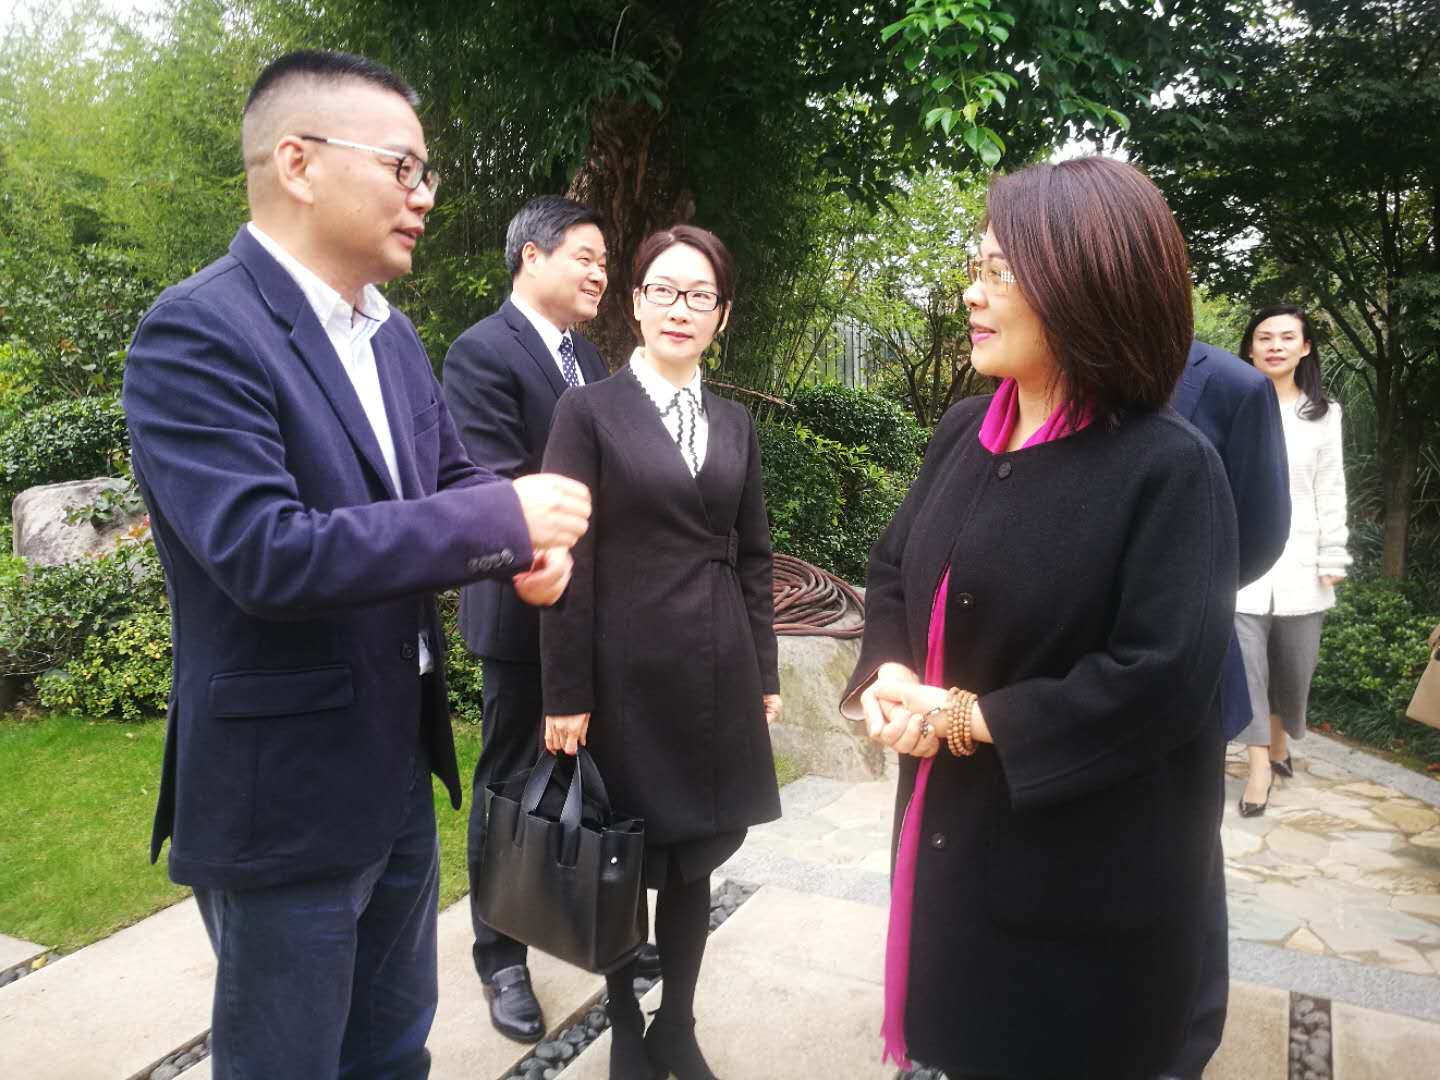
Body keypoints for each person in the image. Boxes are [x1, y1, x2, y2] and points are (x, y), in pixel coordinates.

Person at [122, 51, 591, 1079]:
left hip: (395, 769)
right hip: (283, 795)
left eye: (426, 174)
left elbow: (454, 480)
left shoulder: (389, 336)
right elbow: (267, 552)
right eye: (403, 168)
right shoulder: (197, 333)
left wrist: (521, 548)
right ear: (298, 163)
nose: (424, 197)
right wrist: (498, 522)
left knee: (392, 1052)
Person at [842, 157, 1238, 1079]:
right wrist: (890, 672)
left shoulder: (1168, 468)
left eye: (999, 273)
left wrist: (968, 717)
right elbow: (895, 565)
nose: (971, 293)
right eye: (974, 267)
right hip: (953, 839)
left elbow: (1161, 678)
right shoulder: (965, 429)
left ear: (1083, 287)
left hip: (1082, 879)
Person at [540, 225, 783, 1080]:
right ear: (636, 303)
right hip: (622, 674)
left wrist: (764, 671)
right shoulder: (587, 412)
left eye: (700, 295)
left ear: (723, 314)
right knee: (621, 855)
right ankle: (622, 1025)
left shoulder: (736, 422)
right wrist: (564, 690)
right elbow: (563, 559)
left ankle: (676, 1023)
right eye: (664, 291)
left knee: (693, 859)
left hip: (715, 672)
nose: (681, 309)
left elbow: (754, 556)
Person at [442, 195, 662, 1043]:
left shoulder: (588, 356)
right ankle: (500, 955)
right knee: (508, 786)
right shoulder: (481, 352)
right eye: (586, 256)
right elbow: (490, 484)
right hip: (520, 613)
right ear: (531, 256)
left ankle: (596, 923)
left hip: (596, 613)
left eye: (605, 261)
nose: (600, 273)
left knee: (593, 776)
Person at [1163, 340, 1290, 1078]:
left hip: (1186, 663)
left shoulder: (1236, 388)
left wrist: (1173, 594)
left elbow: (1262, 533)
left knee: (1185, 863)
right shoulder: (1059, 361)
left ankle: (1182, 1047)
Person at [1233, 304, 1351, 816]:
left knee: (1292, 669)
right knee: (1246, 669)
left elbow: (1331, 488)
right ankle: (1259, 766)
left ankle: (1280, 741)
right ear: (1250, 349)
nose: (1274, 346)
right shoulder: (1232, 406)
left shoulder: (1323, 414)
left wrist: (1333, 553)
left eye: (1286, 337)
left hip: (1302, 560)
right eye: (1264, 337)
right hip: (1242, 566)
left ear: (1305, 348)